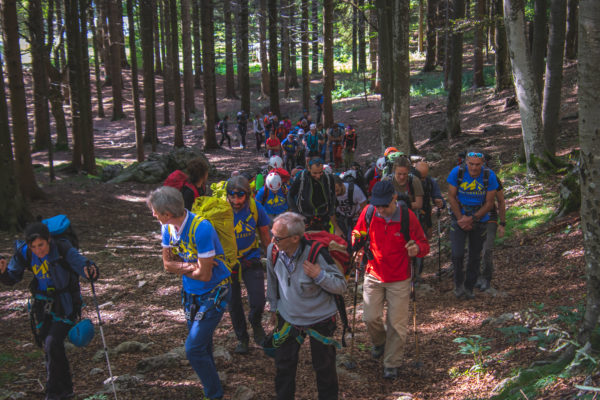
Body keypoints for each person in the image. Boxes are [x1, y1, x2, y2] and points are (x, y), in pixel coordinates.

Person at [147, 187, 232, 399]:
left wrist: (182, 266)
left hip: (214, 292)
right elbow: (167, 265)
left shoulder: (201, 229)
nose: (153, 215)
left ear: (167, 214)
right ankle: (214, 386)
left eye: (155, 211)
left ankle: (213, 393)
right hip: (190, 293)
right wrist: (190, 266)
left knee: (193, 349)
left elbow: (205, 275)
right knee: (203, 345)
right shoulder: (167, 228)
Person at [0, 222, 99, 400]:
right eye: (34, 247)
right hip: (42, 307)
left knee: (52, 343)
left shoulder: (62, 249)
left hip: (65, 305)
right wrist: (3, 272)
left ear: (49, 240)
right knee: (49, 346)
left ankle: (53, 393)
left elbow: (80, 263)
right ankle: (65, 389)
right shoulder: (25, 252)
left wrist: (89, 269)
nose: (38, 250)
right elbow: (12, 277)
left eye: (41, 245)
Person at [352, 180, 429, 379]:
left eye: (384, 205)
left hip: (400, 278)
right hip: (374, 273)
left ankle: (391, 363)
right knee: (369, 317)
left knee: (397, 323)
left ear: (394, 198)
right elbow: (357, 231)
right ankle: (380, 343)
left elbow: (423, 244)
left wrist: (416, 249)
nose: (380, 209)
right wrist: (357, 243)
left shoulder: (407, 217)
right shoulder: (369, 213)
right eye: (377, 205)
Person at [266, 212, 347, 400]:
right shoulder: (273, 250)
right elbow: (271, 279)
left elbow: (341, 286)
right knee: (283, 366)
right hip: (288, 317)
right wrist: (272, 306)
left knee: (324, 368)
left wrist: (320, 275)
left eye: (277, 237)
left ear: (295, 238)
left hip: (321, 319)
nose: (272, 240)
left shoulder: (317, 254)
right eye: (272, 234)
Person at [226, 176, 271, 354]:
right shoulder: (220, 210)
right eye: (232, 196)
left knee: (259, 298)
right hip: (228, 263)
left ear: (248, 194)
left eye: (240, 196)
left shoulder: (255, 208)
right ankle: (242, 338)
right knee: (233, 301)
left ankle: (256, 322)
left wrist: (274, 258)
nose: (236, 201)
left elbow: (265, 237)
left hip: (250, 257)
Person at [446, 150, 499, 299]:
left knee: (475, 256)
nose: (474, 168)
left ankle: (469, 287)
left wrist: (472, 219)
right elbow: (451, 196)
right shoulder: (457, 173)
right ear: (466, 162)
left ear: (482, 164)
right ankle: (458, 285)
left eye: (477, 165)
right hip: (459, 217)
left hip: (479, 220)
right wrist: (460, 218)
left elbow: (490, 203)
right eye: (471, 164)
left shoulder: (489, 176)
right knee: (457, 254)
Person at [287, 157, 339, 233]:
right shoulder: (302, 178)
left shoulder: (328, 178)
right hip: (305, 217)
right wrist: (296, 213)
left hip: (323, 217)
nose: (318, 176)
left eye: (320, 172)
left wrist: (331, 211)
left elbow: (332, 195)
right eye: (314, 173)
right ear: (309, 169)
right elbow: (290, 195)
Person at [476, 170, 506, 291]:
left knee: (487, 250)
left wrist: (502, 223)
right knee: (474, 250)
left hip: (490, 217)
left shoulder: (492, 178)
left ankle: (486, 278)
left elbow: (501, 200)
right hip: (471, 218)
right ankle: (476, 277)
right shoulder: (463, 177)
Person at [332, 174, 367, 245]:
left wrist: (362, 225)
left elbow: (365, 209)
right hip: (342, 217)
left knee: (358, 240)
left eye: (337, 190)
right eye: (334, 192)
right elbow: (331, 212)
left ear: (342, 184)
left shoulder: (355, 190)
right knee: (339, 240)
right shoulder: (331, 194)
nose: (336, 194)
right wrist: (337, 229)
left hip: (356, 216)